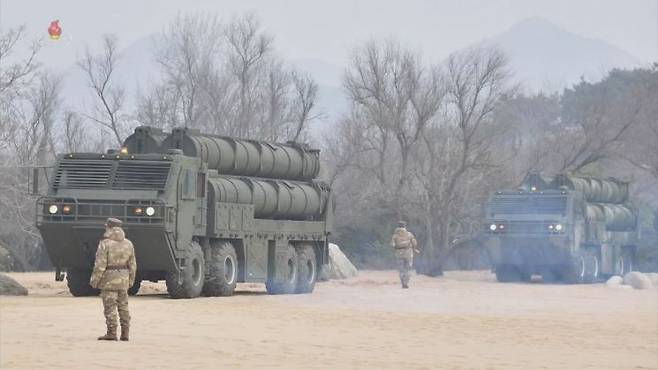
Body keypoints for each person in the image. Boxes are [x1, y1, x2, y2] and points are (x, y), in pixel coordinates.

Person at [90, 218, 137, 341]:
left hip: (109, 279)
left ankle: (112, 332)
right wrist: (131, 280)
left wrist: (95, 280)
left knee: (110, 307)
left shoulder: (105, 244)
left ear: (109, 228)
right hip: (124, 279)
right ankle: (125, 333)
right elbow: (133, 265)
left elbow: (100, 265)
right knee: (123, 306)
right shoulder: (129, 243)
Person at [390, 221, 419, 289]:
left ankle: (403, 283)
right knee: (408, 268)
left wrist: (395, 248)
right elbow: (414, 243)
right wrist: (414, 248)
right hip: (408, 253)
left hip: (399, 253)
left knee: (401, 269)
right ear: (405, 226)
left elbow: (392, 244)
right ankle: (406, 282)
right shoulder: (409, 234)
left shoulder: (395, 235)